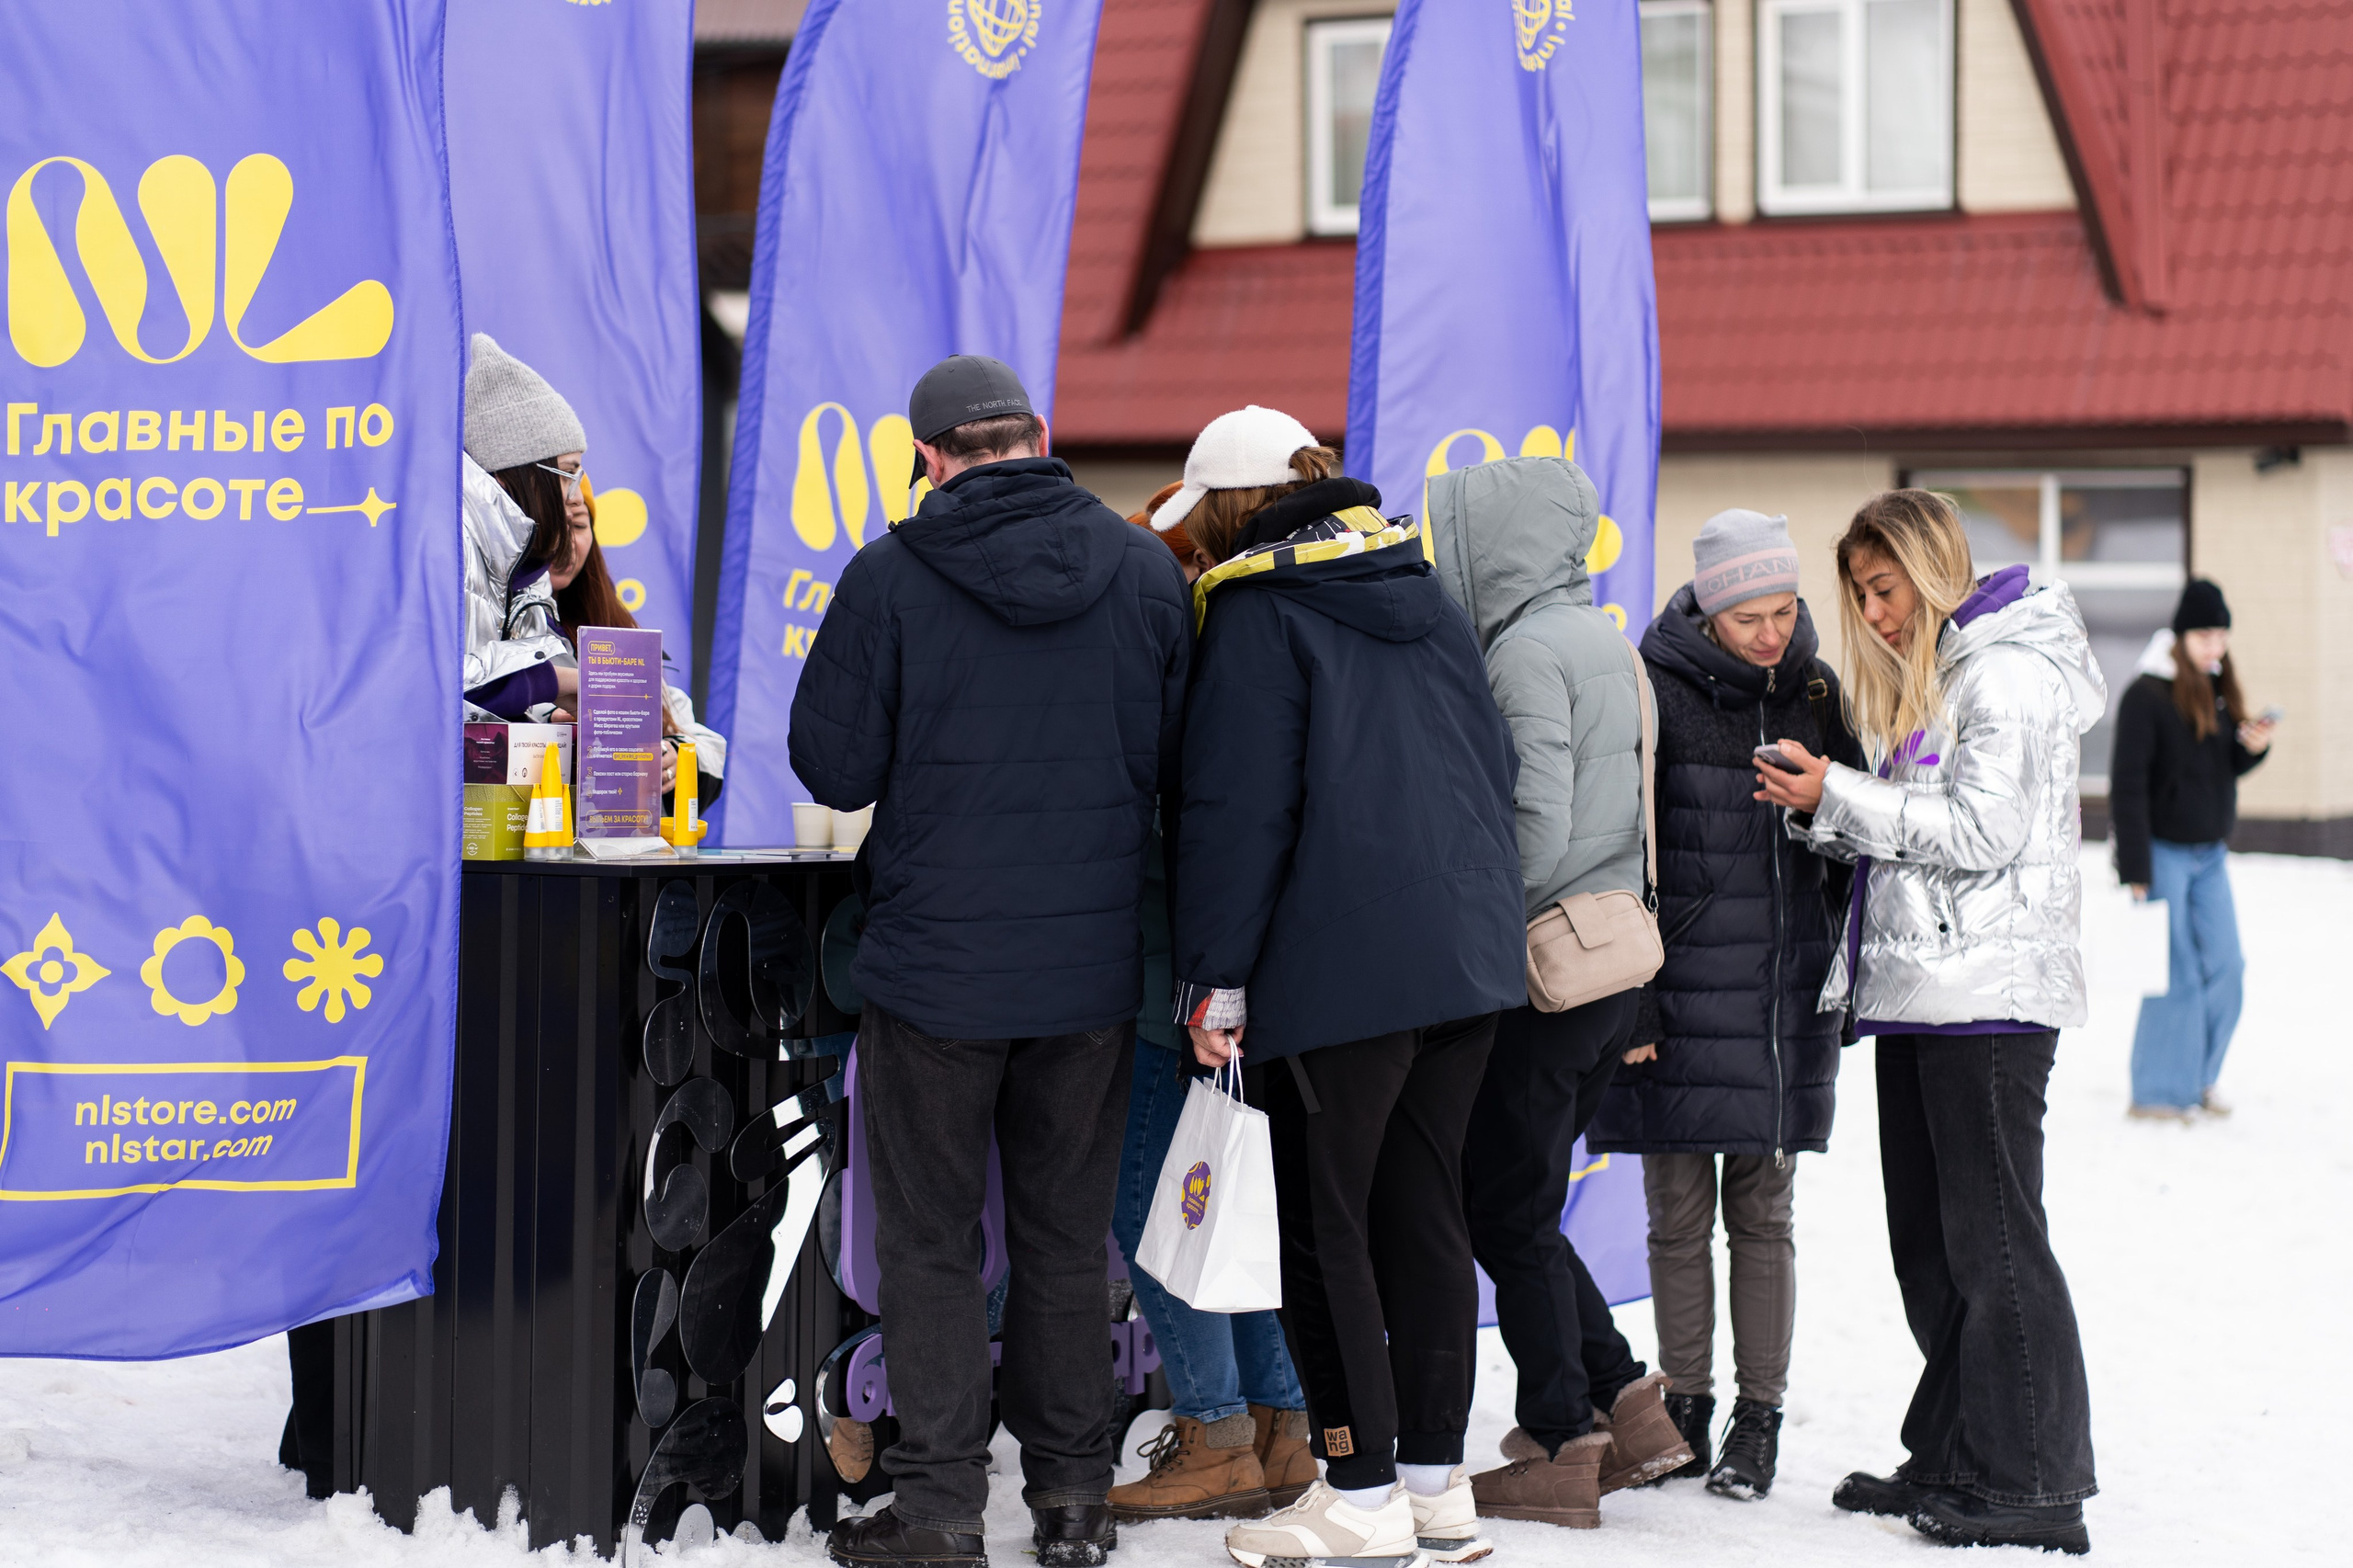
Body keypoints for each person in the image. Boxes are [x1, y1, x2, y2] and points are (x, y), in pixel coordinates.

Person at [790, 356, 1192, 1568]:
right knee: (1069, 1240)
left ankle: (943, 1514)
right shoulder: (1141, 570)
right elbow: (1183, 768)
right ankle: (1072, 1504)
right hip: (1087, 976)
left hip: (932, 974)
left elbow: (833, 768)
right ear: (1042, 436)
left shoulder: (890, 577)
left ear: (927, 456)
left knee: (929, 1245)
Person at [1160, 406, 1526, 1568]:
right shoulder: (1424, 589)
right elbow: (1495, 767)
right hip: (1464, 955)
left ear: (1225, 509)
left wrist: (1212, 978)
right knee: (1424, 1216)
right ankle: (1432, 1481)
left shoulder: (1259, 612)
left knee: (1326, 1233)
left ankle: (1358, 1483)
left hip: (1337, 966)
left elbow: (1234, 812)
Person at [1756, 489, 2103, 1556]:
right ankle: (1958, 1450)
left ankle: (2036, 1477)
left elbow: (1982, 828)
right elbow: (1911, 839)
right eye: (1860, 596)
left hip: (1988, 999)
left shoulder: (2003, 670)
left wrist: (1842, 796)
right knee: (1935, 1244)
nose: (1873, 614)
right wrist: (1822, 808)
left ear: (1933, 565)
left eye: (1884, 588)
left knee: (1995, 1241)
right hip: (1920, 993)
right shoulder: (1939, 677)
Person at [1421, 456, 1694, 1531]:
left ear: (1499, 544)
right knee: (1525, 1202)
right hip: (1615, 963)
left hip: (1542, 970)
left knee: (1505, 1207)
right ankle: (1625, 1397)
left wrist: (1470, 935)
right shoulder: (1606, 640)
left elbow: (1529, 825)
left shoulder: (1524, 654)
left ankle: (1559, 1431)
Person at [1586, 508, 1865, 1504]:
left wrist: (1825, 809)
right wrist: (1636, 1004)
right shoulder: (1650, 684)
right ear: (1709, 608)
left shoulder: (1820, 692)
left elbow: (1862, 833)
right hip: (1672, 987)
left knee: (1762, 1211)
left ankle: (1760, 1415)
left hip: (1779, 996)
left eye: (1785, 609)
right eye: (1750, 614)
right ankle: (1689, 1402)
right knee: (1673, 1214)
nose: (1772, 633)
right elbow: (1621, 844)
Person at [1107, 484, 1316, 1526]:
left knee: (1159, 1202)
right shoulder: (1269, 627)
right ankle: (1274, 1422)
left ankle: (1215, 1428)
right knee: (1224, 1195)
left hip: (1172, 975)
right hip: (1234, 972)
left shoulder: (1202, 645)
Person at [2109, 579, 2274, 1121]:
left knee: (2228, 967)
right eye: (2206, 633)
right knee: (2173, 973)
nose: (2216, 645)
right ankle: (2157, 1091)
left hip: (2210, 857)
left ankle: (2197, 1078)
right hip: (2162, 855)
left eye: (2222, 634)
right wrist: (2135, 866)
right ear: (2181, 635)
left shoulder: (2215, 685)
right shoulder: (2146, 695)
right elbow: (2128, 784)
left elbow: (2219, 765)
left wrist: (2249, 748)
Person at [543, 475, 729, 813]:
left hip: (612, 846)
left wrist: (672, 756)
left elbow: (701, 742)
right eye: (553, 524)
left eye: (580, 526)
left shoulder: (612, 626)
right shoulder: (491, 617)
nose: (567, 542)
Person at [460, 334, 584, 719]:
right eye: (567, 474)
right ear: (515, 474)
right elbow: (426, 687)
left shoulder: (525, 561)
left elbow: (548, 675)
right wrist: (554, 683)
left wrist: (554, 715)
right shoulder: (445, 545)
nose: (576, 497)